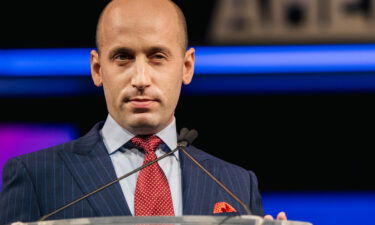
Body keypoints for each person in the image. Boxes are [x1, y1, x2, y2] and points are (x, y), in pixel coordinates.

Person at [0, 0, 287, 224]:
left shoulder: (236, 184)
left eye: (157, 57)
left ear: (186, 67)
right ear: (98, 69)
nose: (140, 78)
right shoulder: (36, 176)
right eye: (122, 57)